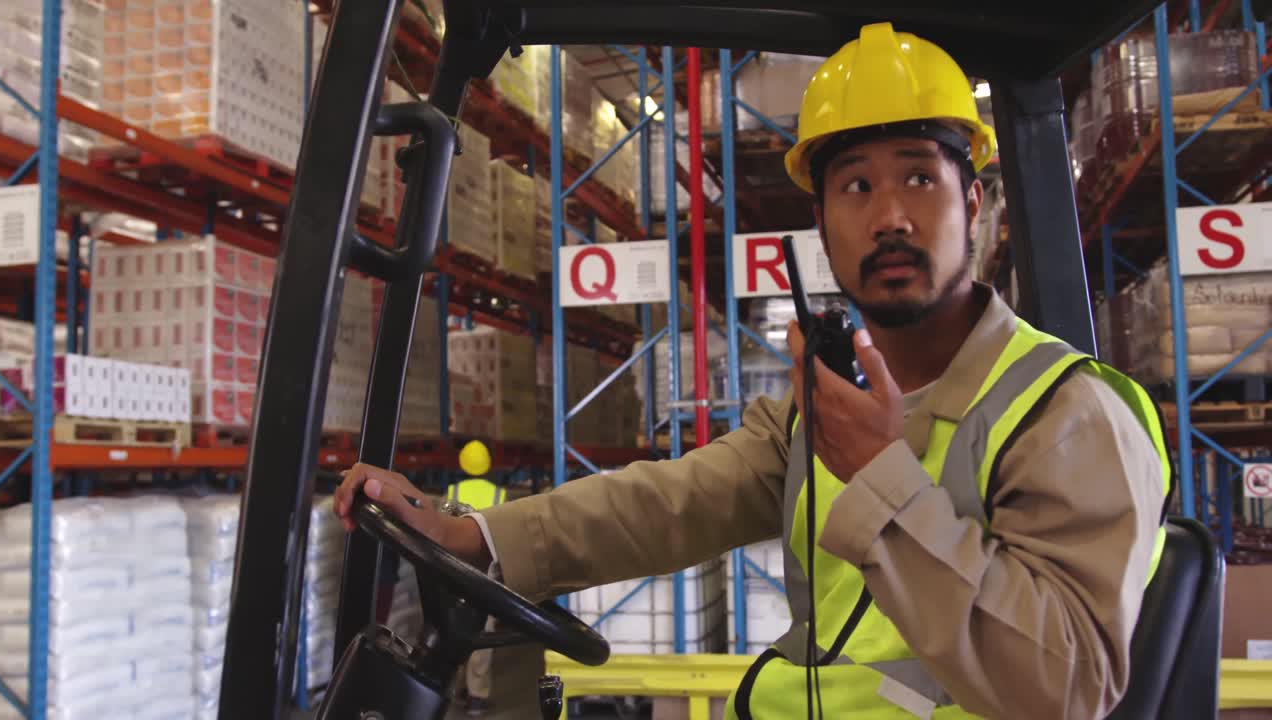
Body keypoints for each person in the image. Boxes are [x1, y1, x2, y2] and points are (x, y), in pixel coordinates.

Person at [336, 22, 1172, 719]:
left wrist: (884, 479)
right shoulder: (829, 402)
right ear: (819, 221)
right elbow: (673, 501)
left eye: (921, 176)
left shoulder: (1068, 414)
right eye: (855, 185)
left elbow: (1070, 685)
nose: (889, 216)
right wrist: (480, 535)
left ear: (974, 203)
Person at [446, 440, 504, 717]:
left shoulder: (452, 491)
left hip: (455, 571)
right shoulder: (500, 495)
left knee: (455, 628)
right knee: (483, 632)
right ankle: (477, 695)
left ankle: (455, 686)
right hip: (486, 575)